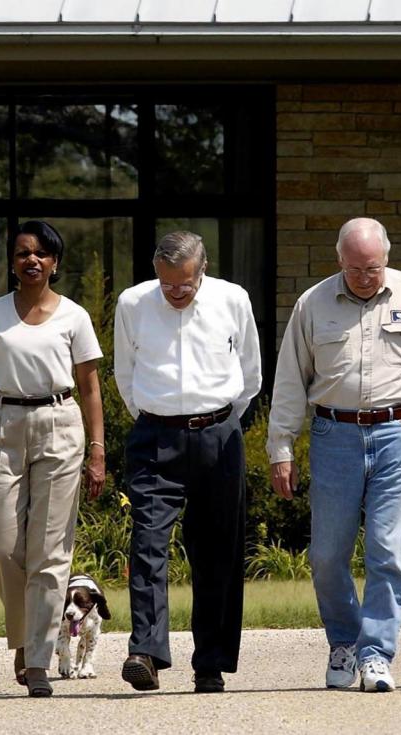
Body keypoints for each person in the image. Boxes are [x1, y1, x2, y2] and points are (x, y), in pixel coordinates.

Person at [267, 217, 401, 693]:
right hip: (335, 435)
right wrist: (281, 447)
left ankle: (376, 655)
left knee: (387, 549)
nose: (365, 277)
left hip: (397, 433)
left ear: (386, 259)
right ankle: (344, 643)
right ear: (339, 261)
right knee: (328, 555)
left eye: (373, 268)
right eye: (355, 269)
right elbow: (290, 379)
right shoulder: (314, 302)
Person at [0, 220, 105, 698]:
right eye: (22, 253)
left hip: (61, 423)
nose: (31, 260)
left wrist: (98, 450)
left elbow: (90, 387)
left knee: (49, 550)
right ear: (13, 263)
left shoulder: (75, 317)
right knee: (2, 544)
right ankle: (23, 633)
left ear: (55, 262)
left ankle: (36, 659)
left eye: (41, 253)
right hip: (5, 426)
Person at [113, 231, 261, 694]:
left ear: (203, 269)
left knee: (218, 550)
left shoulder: (233, 299)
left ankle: (210, 663)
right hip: (156, 435)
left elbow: (250, 372)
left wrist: (221, 421)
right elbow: (125, 373)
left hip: (219, 432)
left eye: (185, 284)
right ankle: (146, 652)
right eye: (167, 284)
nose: (176, 292)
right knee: (148, 543)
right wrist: (155, 418)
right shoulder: (133, 303)